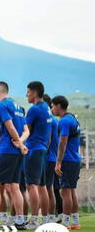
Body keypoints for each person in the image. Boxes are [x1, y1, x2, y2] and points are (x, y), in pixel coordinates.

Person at [0, 81, 28, 231]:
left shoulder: (2, 105)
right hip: (16, 152)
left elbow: (10, 126)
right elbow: (26, 131)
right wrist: (21, 143)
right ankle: (20, 222)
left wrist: (19, 143)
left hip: (6, 150)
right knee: (14, 187)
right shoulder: (17, 106)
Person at [20, 81, 51, 229]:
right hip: (43, 149)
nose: (26, 94)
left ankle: (34, 220)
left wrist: (19, 143)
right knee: (42, 186)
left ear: (35, 92)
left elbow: (27, 131)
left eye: (28, 92)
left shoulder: (33, 109)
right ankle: (44, 219)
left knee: (32, 185)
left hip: (33, 149)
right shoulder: (47, 108)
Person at [52, 95, 81, 230]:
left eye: (52, 106)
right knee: (71, 191)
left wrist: (58, 162)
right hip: (75, 159)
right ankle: (75, 222)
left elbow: (62, 142)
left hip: (68, 160)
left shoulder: (64, 121)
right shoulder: (73, 119)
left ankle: (65, 222)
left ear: (58, 106)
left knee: (64, 192)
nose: (52, 109)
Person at [43, 94, 60, 223]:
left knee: (47, 188)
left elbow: (47, 140)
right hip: (52, 157)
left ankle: (49, 217)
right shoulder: (54, 119)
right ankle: (51, 216)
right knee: (50, 188)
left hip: (48, 158)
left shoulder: (49, 119)